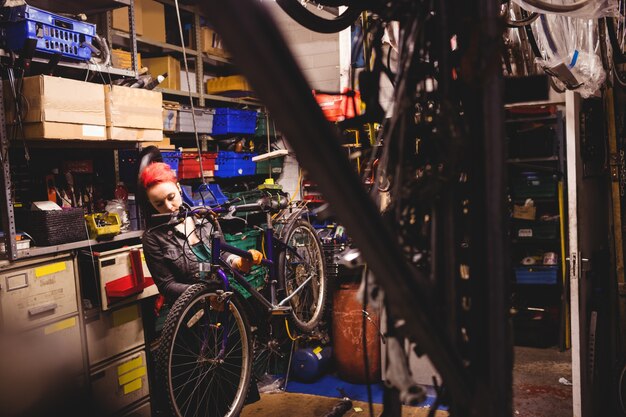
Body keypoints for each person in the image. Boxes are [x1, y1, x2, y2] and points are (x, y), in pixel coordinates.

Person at [140, 162, 263, 304]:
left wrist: (238, 261)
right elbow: (166, 285)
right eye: (159, 204)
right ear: (151, 204)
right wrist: (204, 297)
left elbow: (222, 253)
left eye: (171, 197)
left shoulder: (204, 215)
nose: (168, 207)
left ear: (179, 188)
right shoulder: (152, 237)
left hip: (224, 293)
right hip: (190, 308)